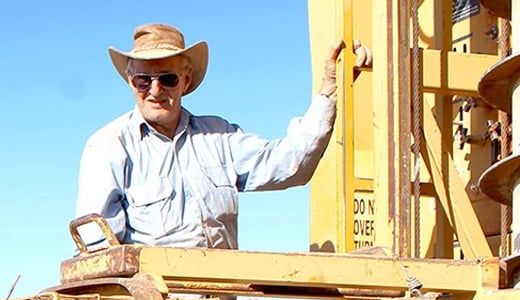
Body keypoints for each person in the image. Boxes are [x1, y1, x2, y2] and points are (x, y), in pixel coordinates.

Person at [74, 23, 372, 250]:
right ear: (130, 81)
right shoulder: (109, 145)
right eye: (143, 80)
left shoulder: (219, 138)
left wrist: (330, 90)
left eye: (167, 79)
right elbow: (97, 247)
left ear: (185, 80)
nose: (155, 91)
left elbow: (291, 164)